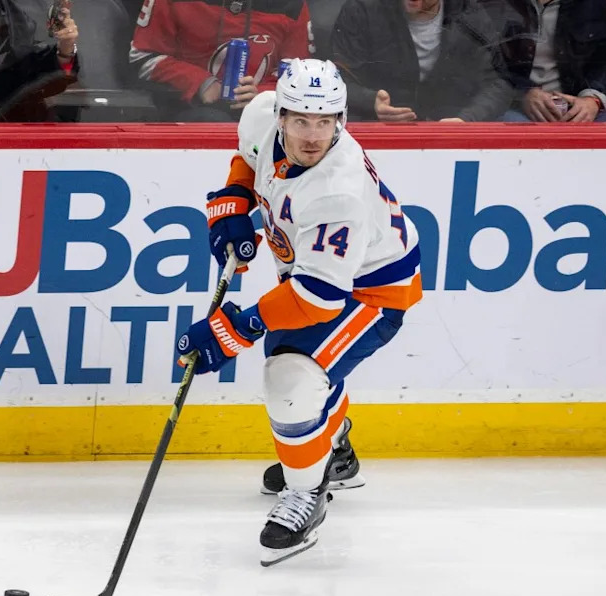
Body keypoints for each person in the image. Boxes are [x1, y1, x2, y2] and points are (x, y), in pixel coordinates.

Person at [175, 59, 423, 566]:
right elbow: (247, 157)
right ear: (281, 115)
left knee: (291, 374)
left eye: (326, 122)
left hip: (373, 291)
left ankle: (307, 492)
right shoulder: (263, 115)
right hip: (321, 277)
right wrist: (232, 202)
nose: (313, 135)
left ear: (341, 121)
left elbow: (317, 298)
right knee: (299, 364)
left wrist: (233, 329)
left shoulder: (338, 190)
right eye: (302, 121)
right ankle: (335, 448)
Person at [128, 0, 315, 121]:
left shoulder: (292, 5)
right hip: (188, 109)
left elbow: (297, 70)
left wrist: (263, 94)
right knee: (210, 120)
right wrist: (201, 82)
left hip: (265, 115)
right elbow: (143, 57)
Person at [331, 0, 512, 122]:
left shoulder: (469, 14)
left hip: (447, 130)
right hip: (375, 127)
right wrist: (369, 101)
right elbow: (334, 80)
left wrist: (466, 119)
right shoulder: (362, 9)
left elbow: (498, 83)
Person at [485, 0, 606, 122]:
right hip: (517, 108)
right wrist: (522, 93)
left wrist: (592, 99)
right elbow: (486, 66)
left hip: (576, 106)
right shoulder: (500, 5)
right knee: (509, 131)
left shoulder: (591, 5)